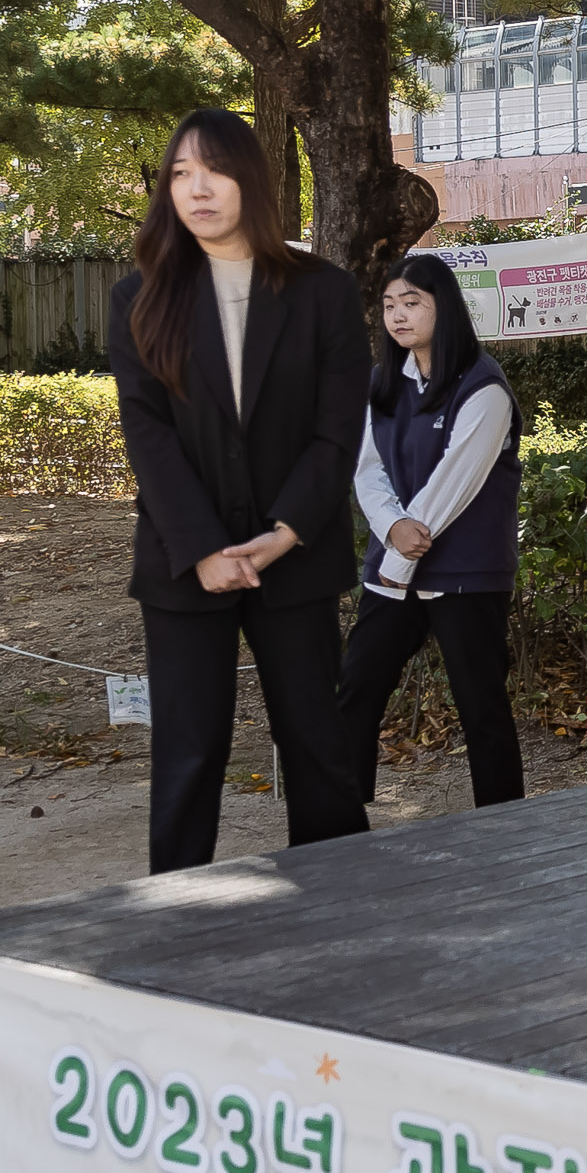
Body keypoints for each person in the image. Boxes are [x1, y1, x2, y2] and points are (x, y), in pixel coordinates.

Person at [108, 108, 371, 873]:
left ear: (250, 180)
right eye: (180, 173)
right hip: (183, 564)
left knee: (318, 746)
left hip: (296, 557)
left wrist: (285, 530)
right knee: (189, 754)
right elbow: (148, 438)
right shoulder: (138, 298)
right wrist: (201, 550)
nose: (196, 189)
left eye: (214, 170)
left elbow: (337, 432)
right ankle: (179, 921)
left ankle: (343, 901)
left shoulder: (323, 291)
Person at [336, 253, 525, 811]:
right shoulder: (383, 383)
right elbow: (366, 468)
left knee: (481, 706)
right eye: (390, 304)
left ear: (446, 308)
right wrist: (392, 527)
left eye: (412, 303)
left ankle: (504, 824)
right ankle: (338, 819)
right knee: (358, 689)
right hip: (394, 568)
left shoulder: (483, 386)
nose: (398, 316)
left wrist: (401, 546)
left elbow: (454, 483)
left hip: (464, 573)